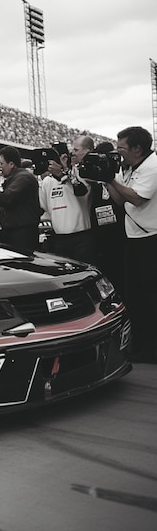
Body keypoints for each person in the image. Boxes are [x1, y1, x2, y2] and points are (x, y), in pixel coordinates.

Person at [105, 126, 157, 363]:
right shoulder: (131, 168)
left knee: (150, 296)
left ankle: (152, 348)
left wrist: (110, 179)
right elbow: (120, 201)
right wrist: (107, 180)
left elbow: (137, 198)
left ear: (138, 148)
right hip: (134, 238)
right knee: (134, 295)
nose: (118, 152)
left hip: (151, 239)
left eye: (122, 148)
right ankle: (141, 344)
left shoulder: (152, 166)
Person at [38, 135, 94, 263]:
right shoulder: (47, 181)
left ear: (65, 157)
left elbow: (82, 191)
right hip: (59, 239)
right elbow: (46, 208)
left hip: (82, 237)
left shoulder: (81, 173)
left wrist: (63, 174)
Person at [0, 146, 41, 251]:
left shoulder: (23, 177)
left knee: (22, 264)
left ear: (11, 164)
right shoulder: (13, 178)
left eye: (1, 163)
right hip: (14, 231)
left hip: (23, 233)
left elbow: (5, 199)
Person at [87, 141, 126, 296]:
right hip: (99, 232)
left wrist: (107, 178)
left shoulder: (119, 175)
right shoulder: (92, 177)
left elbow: (120, 201)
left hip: (118, 231)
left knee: (119, 269)